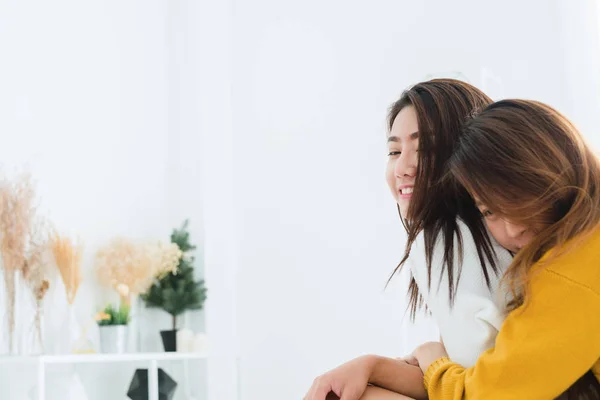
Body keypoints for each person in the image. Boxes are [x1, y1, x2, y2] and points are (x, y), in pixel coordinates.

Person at [304, 79, 513, 400]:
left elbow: (474, 392)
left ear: (468, 152)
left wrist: (427, 353)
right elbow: (457, 380)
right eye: (394, 151)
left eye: (425, 149)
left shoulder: (451, 237)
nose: (403, 167)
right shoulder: (483, 232)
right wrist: (373, 365)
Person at [411, 99, 600, 399]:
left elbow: (488, 395)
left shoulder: (569, 271)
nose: (512, 228)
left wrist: (433, 361)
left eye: (514, 196)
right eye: (489, 212)